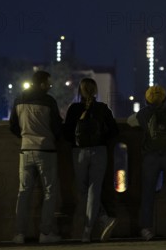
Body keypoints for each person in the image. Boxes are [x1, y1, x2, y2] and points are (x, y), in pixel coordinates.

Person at [127, 85, 166, 240]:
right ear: (165, 99)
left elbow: (129, 121)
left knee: (147, 193)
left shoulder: (143, 114)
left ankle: (146, 230)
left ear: (147, 100)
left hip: (150, 156)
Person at [62, 78, 119, 243]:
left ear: (79, 91)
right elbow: (114, 131)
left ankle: (99, 222)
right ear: (95, 92)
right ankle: (92, 228)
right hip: (99, 151)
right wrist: (100, 139)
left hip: (79, 152)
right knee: (95, 190)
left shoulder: (74, 109)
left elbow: (66, 133)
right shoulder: (102, 108)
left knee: (83, 191)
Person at [9, 70, 62, 244]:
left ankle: (19, 233)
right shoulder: (49, 101)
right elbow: (57, 127)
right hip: (46, 150)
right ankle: (45, 232)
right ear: (41, 84)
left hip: (25, 149)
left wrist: (25, 136)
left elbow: (13, 126)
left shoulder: (19, 100)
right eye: (48, 83)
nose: (50, 86)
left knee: (23, 193)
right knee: (49, 192)